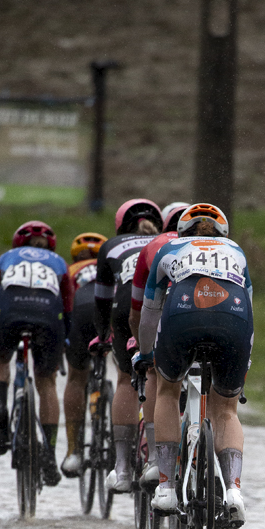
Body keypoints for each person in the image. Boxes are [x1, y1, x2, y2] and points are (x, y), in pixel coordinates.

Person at [135, 202, 252, 526]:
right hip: (234, 319)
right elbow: (250, 308)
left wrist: (145, 354)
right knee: (226, 408)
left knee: (168, 391)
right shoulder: (236, 251)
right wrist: (246, 359)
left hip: (182, 315)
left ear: (182, 230)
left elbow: (149, 312)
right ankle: (233, 491)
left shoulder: (169, 248)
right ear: (222, 232)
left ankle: (166, 488)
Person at [0, 219, 73, 486]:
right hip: (48, 318)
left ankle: (0, 406)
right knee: (47, 381)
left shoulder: (6, 258)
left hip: (7, 315)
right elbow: (68, 307)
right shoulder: (59, 263)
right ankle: (49, 452)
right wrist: (65, 338)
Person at [89, 198, 163, 492]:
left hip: (123, 308)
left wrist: (102, 335)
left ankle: (121, 469)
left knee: (125, 379)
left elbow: (102, 299)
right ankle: (157, 458)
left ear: (120, 225)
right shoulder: (165, 242)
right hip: (158, 306)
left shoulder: (111, 246)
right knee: (158, 376)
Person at [127, 201, 189, 485]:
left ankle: (154, 459)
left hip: (163, 310)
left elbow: (139, 310)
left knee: (156, 375)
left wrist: (145, 351)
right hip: (210, 312)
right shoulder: (218, 246)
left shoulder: (156, 245)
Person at [60, 232, 107, 476]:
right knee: (127, 375)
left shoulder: (69, 270)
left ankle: (73, 452)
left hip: (80, 310)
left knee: (76, 378)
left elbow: (60, 306)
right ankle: (129, 450)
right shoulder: (112, 265)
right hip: (108, 310)